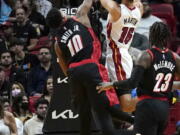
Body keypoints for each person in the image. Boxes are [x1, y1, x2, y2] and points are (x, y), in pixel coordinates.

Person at [46, 1, 135, 135]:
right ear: (63, 16)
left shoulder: (57, 43)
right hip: (91, 67)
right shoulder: (80, 16)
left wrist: (76, 79)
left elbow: (65, 68)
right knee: (106, 103)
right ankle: (135, 121)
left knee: (84, 112)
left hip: (74, 73)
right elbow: (88, 2)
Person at [97, 22, 180, 135]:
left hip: (147, 106)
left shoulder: (146, 55)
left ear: (151, 36)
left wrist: (111, 84)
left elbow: (132, 83)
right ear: (167, 37)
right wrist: (169, 86)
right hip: (164, 108)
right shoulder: (175, 57)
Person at [99, 0, 143, 112]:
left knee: (126, 105)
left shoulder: (116, 10)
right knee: (116, 100)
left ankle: (156, 96)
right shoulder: (139, 9)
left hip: (117, 57)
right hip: (123, 54)